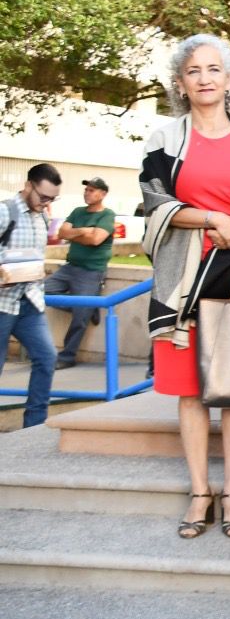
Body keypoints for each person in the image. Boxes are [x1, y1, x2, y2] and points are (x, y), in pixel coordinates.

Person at [139, 37, 230, 537]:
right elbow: (154, 201)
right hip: (183, 283)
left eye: (214, 69)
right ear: (180, 83)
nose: (204, 78)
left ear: (229, 80)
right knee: (190, 392)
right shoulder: (164, 138)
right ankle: (201, 491)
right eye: (193, 70)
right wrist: (215, 220)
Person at [1, 163, 64, 429]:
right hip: (3, 303)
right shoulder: (5, 211)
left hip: (30, 300)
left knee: (47, 357)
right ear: (28, 186)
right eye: (43, 196)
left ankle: (34, 426)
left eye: (52, 199)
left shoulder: (42, 217)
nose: (46, 203)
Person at [45, 177, 118, 368]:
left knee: (79, 319)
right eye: (86, 190)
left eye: (92, 190)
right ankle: (88, 308)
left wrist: (76, 234)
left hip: (91, 272)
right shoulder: (78, 211)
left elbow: (96, 240)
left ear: (102, 194)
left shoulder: (107, 215)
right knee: (41, 292)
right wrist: (85, 230)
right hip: (69, 267)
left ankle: (67, 357)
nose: (87, 193)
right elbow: (61, 233)